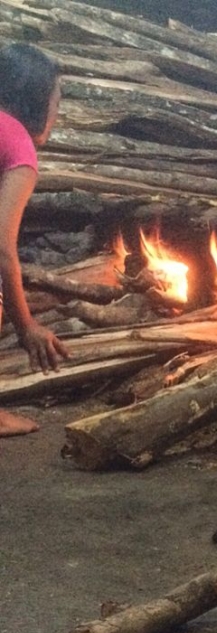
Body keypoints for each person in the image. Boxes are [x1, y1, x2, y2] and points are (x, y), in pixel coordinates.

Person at [0, 42, 70, 436]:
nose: (56, 114)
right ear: (36, 99)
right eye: (56, 101)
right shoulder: (16, 142)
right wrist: (26, 326)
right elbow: (1, 249)